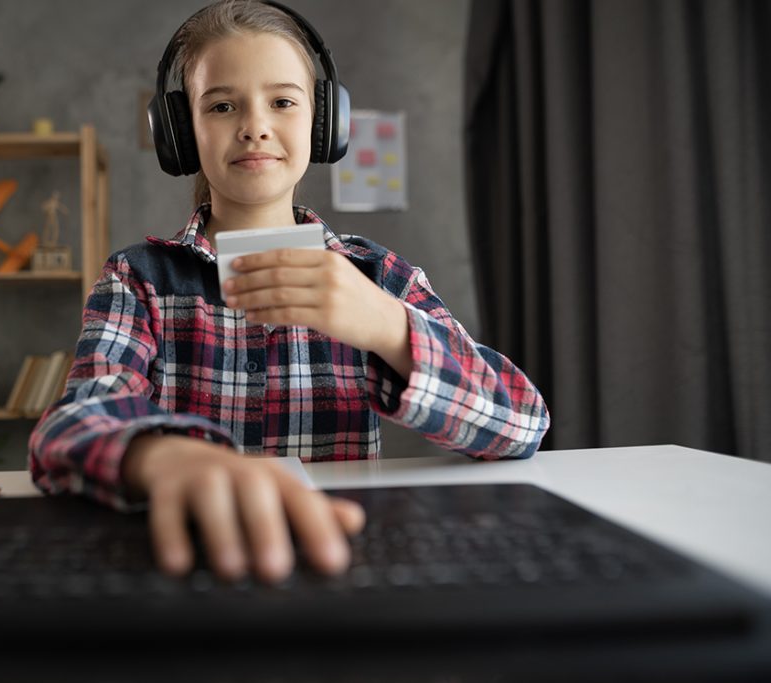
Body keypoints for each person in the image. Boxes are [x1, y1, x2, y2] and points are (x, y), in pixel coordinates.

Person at [29, 0, 549, 585]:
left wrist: (387, 327)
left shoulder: (376, 279)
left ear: (324, 123)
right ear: (180, 133)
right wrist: (162, 455)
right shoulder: (138, 281)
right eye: (222, 105)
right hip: (187, 571)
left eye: (282, 101)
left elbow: (521, 425)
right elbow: (71, 424)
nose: (254, 125)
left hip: (336, 567)